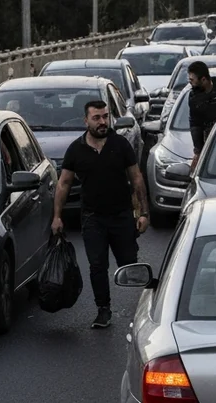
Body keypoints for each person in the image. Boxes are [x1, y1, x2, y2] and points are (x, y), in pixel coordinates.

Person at [52, 100, 150, 329]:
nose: (102, 121)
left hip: (121, 215)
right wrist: (57, 216)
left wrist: (143, 213)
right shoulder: (76, 149)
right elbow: (64, 183)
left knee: (129, 263)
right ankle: (103, 310)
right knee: (97, 266)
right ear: (86, 121)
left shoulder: (120, 144)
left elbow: (136, 178)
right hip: (93, 218)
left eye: (105, 116)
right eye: (96, 118)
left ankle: (145, 310)